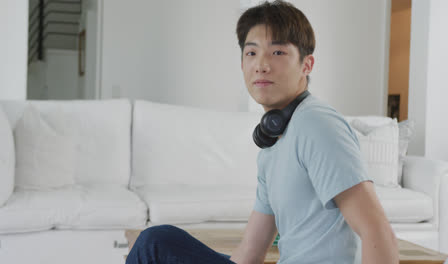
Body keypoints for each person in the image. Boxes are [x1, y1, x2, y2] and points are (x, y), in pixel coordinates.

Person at [126, 1, 399, 263]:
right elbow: (249, 255)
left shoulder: (317, 124)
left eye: (278, 52)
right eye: (251, 53)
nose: (261, 64)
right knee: (164, 246)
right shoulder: (273, 143)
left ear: (307, 65)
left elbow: (377, 233)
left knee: (155, 243)